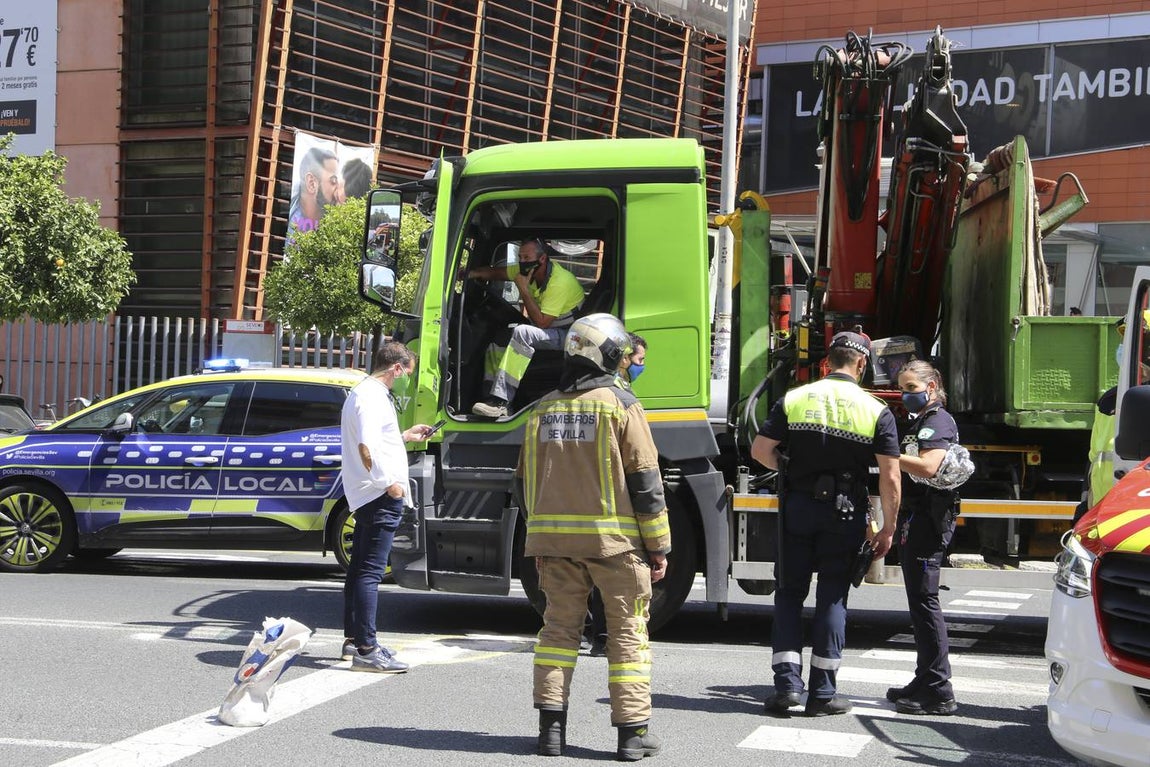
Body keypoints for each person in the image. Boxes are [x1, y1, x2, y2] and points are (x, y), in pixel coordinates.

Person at [515, 313, 671, 760]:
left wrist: (540, 539)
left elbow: (523, 483)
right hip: (616, 546)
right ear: (608, 356)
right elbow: (645, 481)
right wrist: (659, 546)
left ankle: (550, 732)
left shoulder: (542, 408)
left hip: (556, 548)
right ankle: (631, 735)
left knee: (558, 632)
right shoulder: (621, 404)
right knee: (626, 636)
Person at [750, 331, 901, 717]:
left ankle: (786, 688)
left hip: (797, 507)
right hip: (845, 511)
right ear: (862, 364)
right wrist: (887, 528)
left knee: (788, 593)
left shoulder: (796, 398)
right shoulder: (874, 410)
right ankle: (822, 694)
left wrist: (792, 470)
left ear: (828, 361)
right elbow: (890, 476)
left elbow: (761, 451)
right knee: (832, 596)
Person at [340, 341, 435, 673]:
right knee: (370, 573)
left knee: (359, 570)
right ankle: (366, 648)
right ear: (396, 367)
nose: (407, 378)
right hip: (378, 494)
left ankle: (355, 639)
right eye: (407, 372)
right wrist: (390, 485)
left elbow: (377, 440)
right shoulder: (371, 398)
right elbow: (367, 448)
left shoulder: (366, 395)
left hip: (371, 494)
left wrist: (406, 436)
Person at [886, 360, 960, 715]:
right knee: (918, 602)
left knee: (926, 602)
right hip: (918, 518)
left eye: (912, 388)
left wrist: (888, 455)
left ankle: (938, 690)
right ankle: (925, 677)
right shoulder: (920, 422)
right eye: (903, 387)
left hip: (930, 521)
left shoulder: (938, 421)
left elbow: (929, 466)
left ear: (931, 388)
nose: (905, 395)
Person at [466, 237, 585, 418]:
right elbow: (497, 273)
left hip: (571, 336)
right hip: (552, 328)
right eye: (520, 257)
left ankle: (502, 402)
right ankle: (490, 397)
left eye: (527, 258)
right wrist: (471, 273)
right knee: (499, 338)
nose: (522, 262)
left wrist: (523, 290)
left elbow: (541, 323)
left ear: (542, 259)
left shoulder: (559, 282)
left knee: (523, 332)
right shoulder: (526, 269)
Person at [586, 332, 649, 656]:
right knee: (610, 573)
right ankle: (605, 638)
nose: (642, 366)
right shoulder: (617, 395)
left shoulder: (609, 389)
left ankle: (603, 636)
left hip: (603, 495)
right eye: (639, 360)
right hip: (610, 498)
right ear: (623, 358)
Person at [288, 146, 340, 237]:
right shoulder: (293, 233)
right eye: (333, 181)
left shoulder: (331, 223)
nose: (338, 190)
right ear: (311, 183)